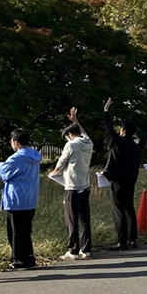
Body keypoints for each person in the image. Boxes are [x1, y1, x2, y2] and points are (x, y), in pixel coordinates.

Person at [51, 107, 94, 260]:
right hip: (85, 184)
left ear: (69, 135)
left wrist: (54, 172)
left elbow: (61, 162)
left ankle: (73, 250)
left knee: (71, 218)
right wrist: (75, 121)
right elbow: (83, 133)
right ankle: (86, 248)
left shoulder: (71, 145)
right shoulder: (88, 143)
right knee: (84, 218)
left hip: (72, 185)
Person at [0, 128, 42, 270]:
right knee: (25, 230)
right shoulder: (35, 155)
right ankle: (28, 257)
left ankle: (19, 259)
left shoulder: (17, 158)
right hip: (30, 198)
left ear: (15, 142)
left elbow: (3, 174)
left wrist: (0, 165)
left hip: (16, 199)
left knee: (14, 232)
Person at [102, 97, 141, 250]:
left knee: (118, 210)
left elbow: (108, 129)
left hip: (117, 180)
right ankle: (133, 239)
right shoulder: (135, 147)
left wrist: (106, 112)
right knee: (129, 208)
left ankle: (122, 241)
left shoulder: (116, 142)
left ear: (123, 130)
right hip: (130, 180)